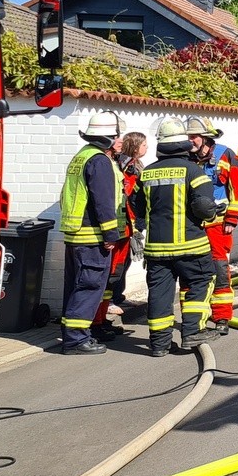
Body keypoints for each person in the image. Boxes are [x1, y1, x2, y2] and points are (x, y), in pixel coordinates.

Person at [130, 117, 221, 357]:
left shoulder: (146, 174)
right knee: (200, 282)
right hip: (191, 247)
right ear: (183, 144)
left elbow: (137, 207)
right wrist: (213, 211)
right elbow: (203, 206)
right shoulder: (194, 171)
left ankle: (159, 344)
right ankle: (192, 331)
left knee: (160, 294)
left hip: (157, 250)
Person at [58, 111, 125, 355]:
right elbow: (103, 201)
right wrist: (110, 235)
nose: (120, 141)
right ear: (107, 139)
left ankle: (72, 335)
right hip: (92, 237)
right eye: (117, 136)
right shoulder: (99, 161)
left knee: (76, 287)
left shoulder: (81, 156)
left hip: (76, 235)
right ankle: (76, 341)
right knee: (88, 287)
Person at [185, 116, 238, 335]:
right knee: (192, 270)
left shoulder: (226, 155)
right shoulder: (185, 158)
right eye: (188, 136)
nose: (190, 140)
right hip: (192, 225)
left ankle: (221, 317)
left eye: (194, 136)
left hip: (218, 225)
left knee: (219, 269)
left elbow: (236, 188)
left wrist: (231, 219)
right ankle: (194, 318)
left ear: (206, 138)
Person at [91, 130, 147, 341]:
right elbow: (122, 198)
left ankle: (101, 321)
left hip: (122, 229)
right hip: (115, 230)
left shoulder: (120, 163)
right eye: (117, 138)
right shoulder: (115, 165)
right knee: (107, 276)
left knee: (113, 275)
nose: (120, 141)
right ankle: (96, 323)